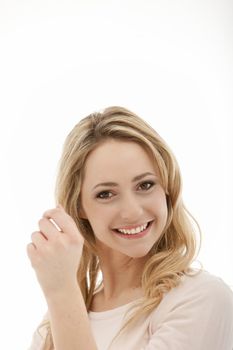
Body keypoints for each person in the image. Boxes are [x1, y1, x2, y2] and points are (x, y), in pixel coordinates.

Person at [27, 106, 233, 350]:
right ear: (78, 206)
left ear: (167, 187)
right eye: (106, 194)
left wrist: (61, 291)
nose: (133, 211)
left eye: (145, 185)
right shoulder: (55, 325)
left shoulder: (200, 299)